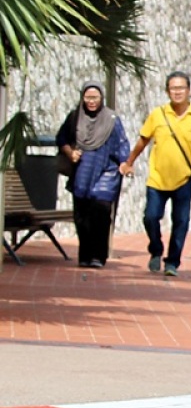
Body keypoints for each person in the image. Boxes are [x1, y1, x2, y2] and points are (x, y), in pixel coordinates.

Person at [119, 71, 191, 277]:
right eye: (173, 88)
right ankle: (156, 249)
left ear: (188, 91)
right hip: (157, 178)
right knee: (150, 217)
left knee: (181, 222)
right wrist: (129, 162)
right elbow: (143, 140)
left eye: (181, 88)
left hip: (184, 179)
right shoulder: (158, 114)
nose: (177, 92)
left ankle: (172, 263)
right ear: (167, 91)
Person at [55, 81, 129, 268]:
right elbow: (61, 138)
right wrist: (70, 152)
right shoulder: (75, 117)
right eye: (88, 97)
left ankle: (98, 256)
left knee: (101, 213)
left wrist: (124, 162)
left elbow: (122, 144)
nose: (91, 101)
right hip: (82, 172)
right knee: (82, 216)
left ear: (101, 98)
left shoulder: (112, 119)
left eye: (95, 97)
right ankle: (85, 255)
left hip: (107, 172)